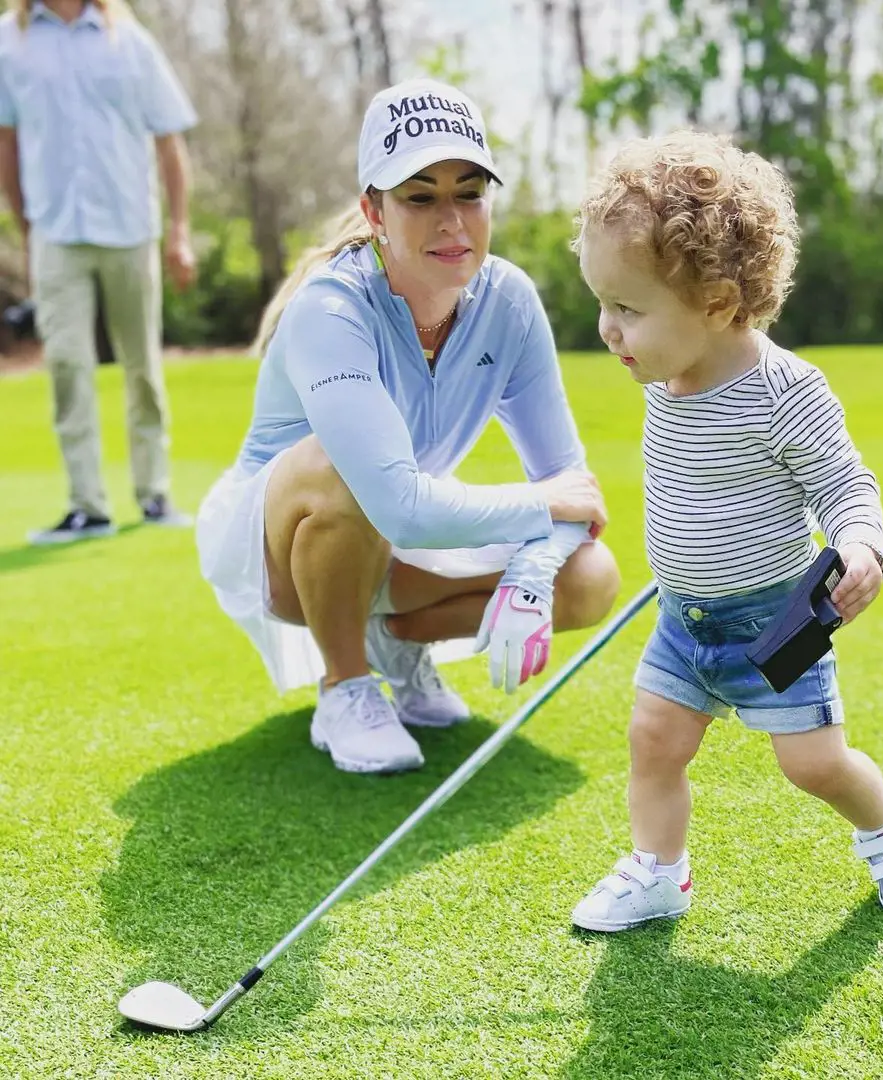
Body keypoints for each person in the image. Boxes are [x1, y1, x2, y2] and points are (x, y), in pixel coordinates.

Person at [195, 78, 620, 776]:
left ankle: (394, 643)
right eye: (420, 197)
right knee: (342, 472)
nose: (451, 221)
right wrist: (545, 509)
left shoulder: (509, 301)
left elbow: (569, 482)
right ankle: (345, 686)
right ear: (374, 211)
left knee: (590, 576)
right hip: (274, 550)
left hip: (396, 535)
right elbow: (404, 503)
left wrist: (536, 575)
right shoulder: (329, 309)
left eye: (470, 193)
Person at [569, 131, 883, 929]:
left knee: (812, 762)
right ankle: (659, 873)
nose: (608, 328)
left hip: (774, 620)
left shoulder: (786, 392)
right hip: (681, 619)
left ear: (719, 306)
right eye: (603, 303)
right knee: (654, 742)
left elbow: (844, 481)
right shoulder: (664, 376)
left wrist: (861, 542)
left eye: (627, 308)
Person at [0, 0, 197, 544]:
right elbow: (7, 143)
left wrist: (179, 232)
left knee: (142, 368)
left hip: (131, 227)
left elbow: (169, 142)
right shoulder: (8, 42)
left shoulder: (129, 40)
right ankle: (87, 507)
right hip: (55, 233)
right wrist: (26, 225)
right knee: (65, 364)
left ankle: (154, 496)